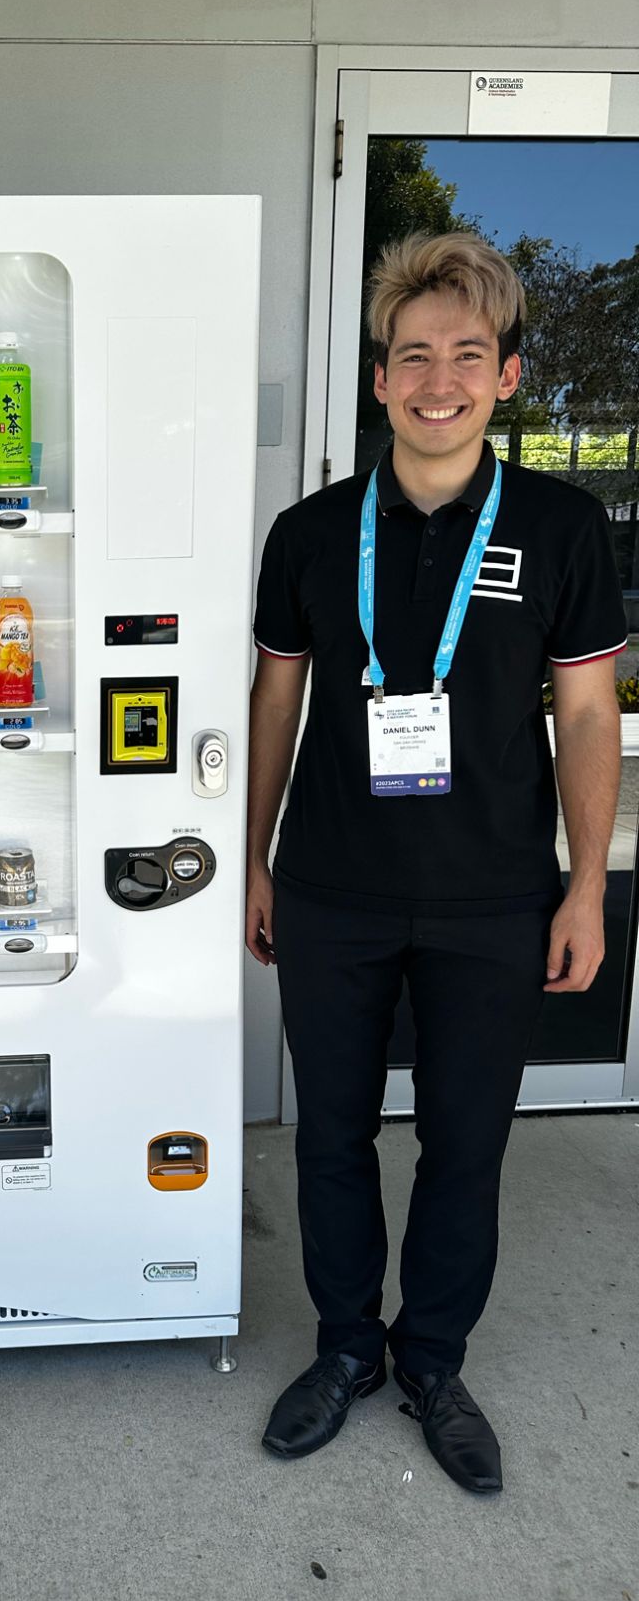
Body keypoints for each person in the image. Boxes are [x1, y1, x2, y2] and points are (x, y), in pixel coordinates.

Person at [247, 233, 625, 1496]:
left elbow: (583, 715)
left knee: (466, 1140)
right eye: (413, 355)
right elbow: (273, 701)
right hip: (331, 887)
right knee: (331, 1137)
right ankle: (347, 1347)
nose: (437, 378)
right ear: (379, 379)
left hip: (492, 895)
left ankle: (432, 1360)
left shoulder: (562, 529)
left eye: (466, 353)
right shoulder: (308, 531)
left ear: (506, 375)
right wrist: (251, 859)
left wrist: (584, 884)